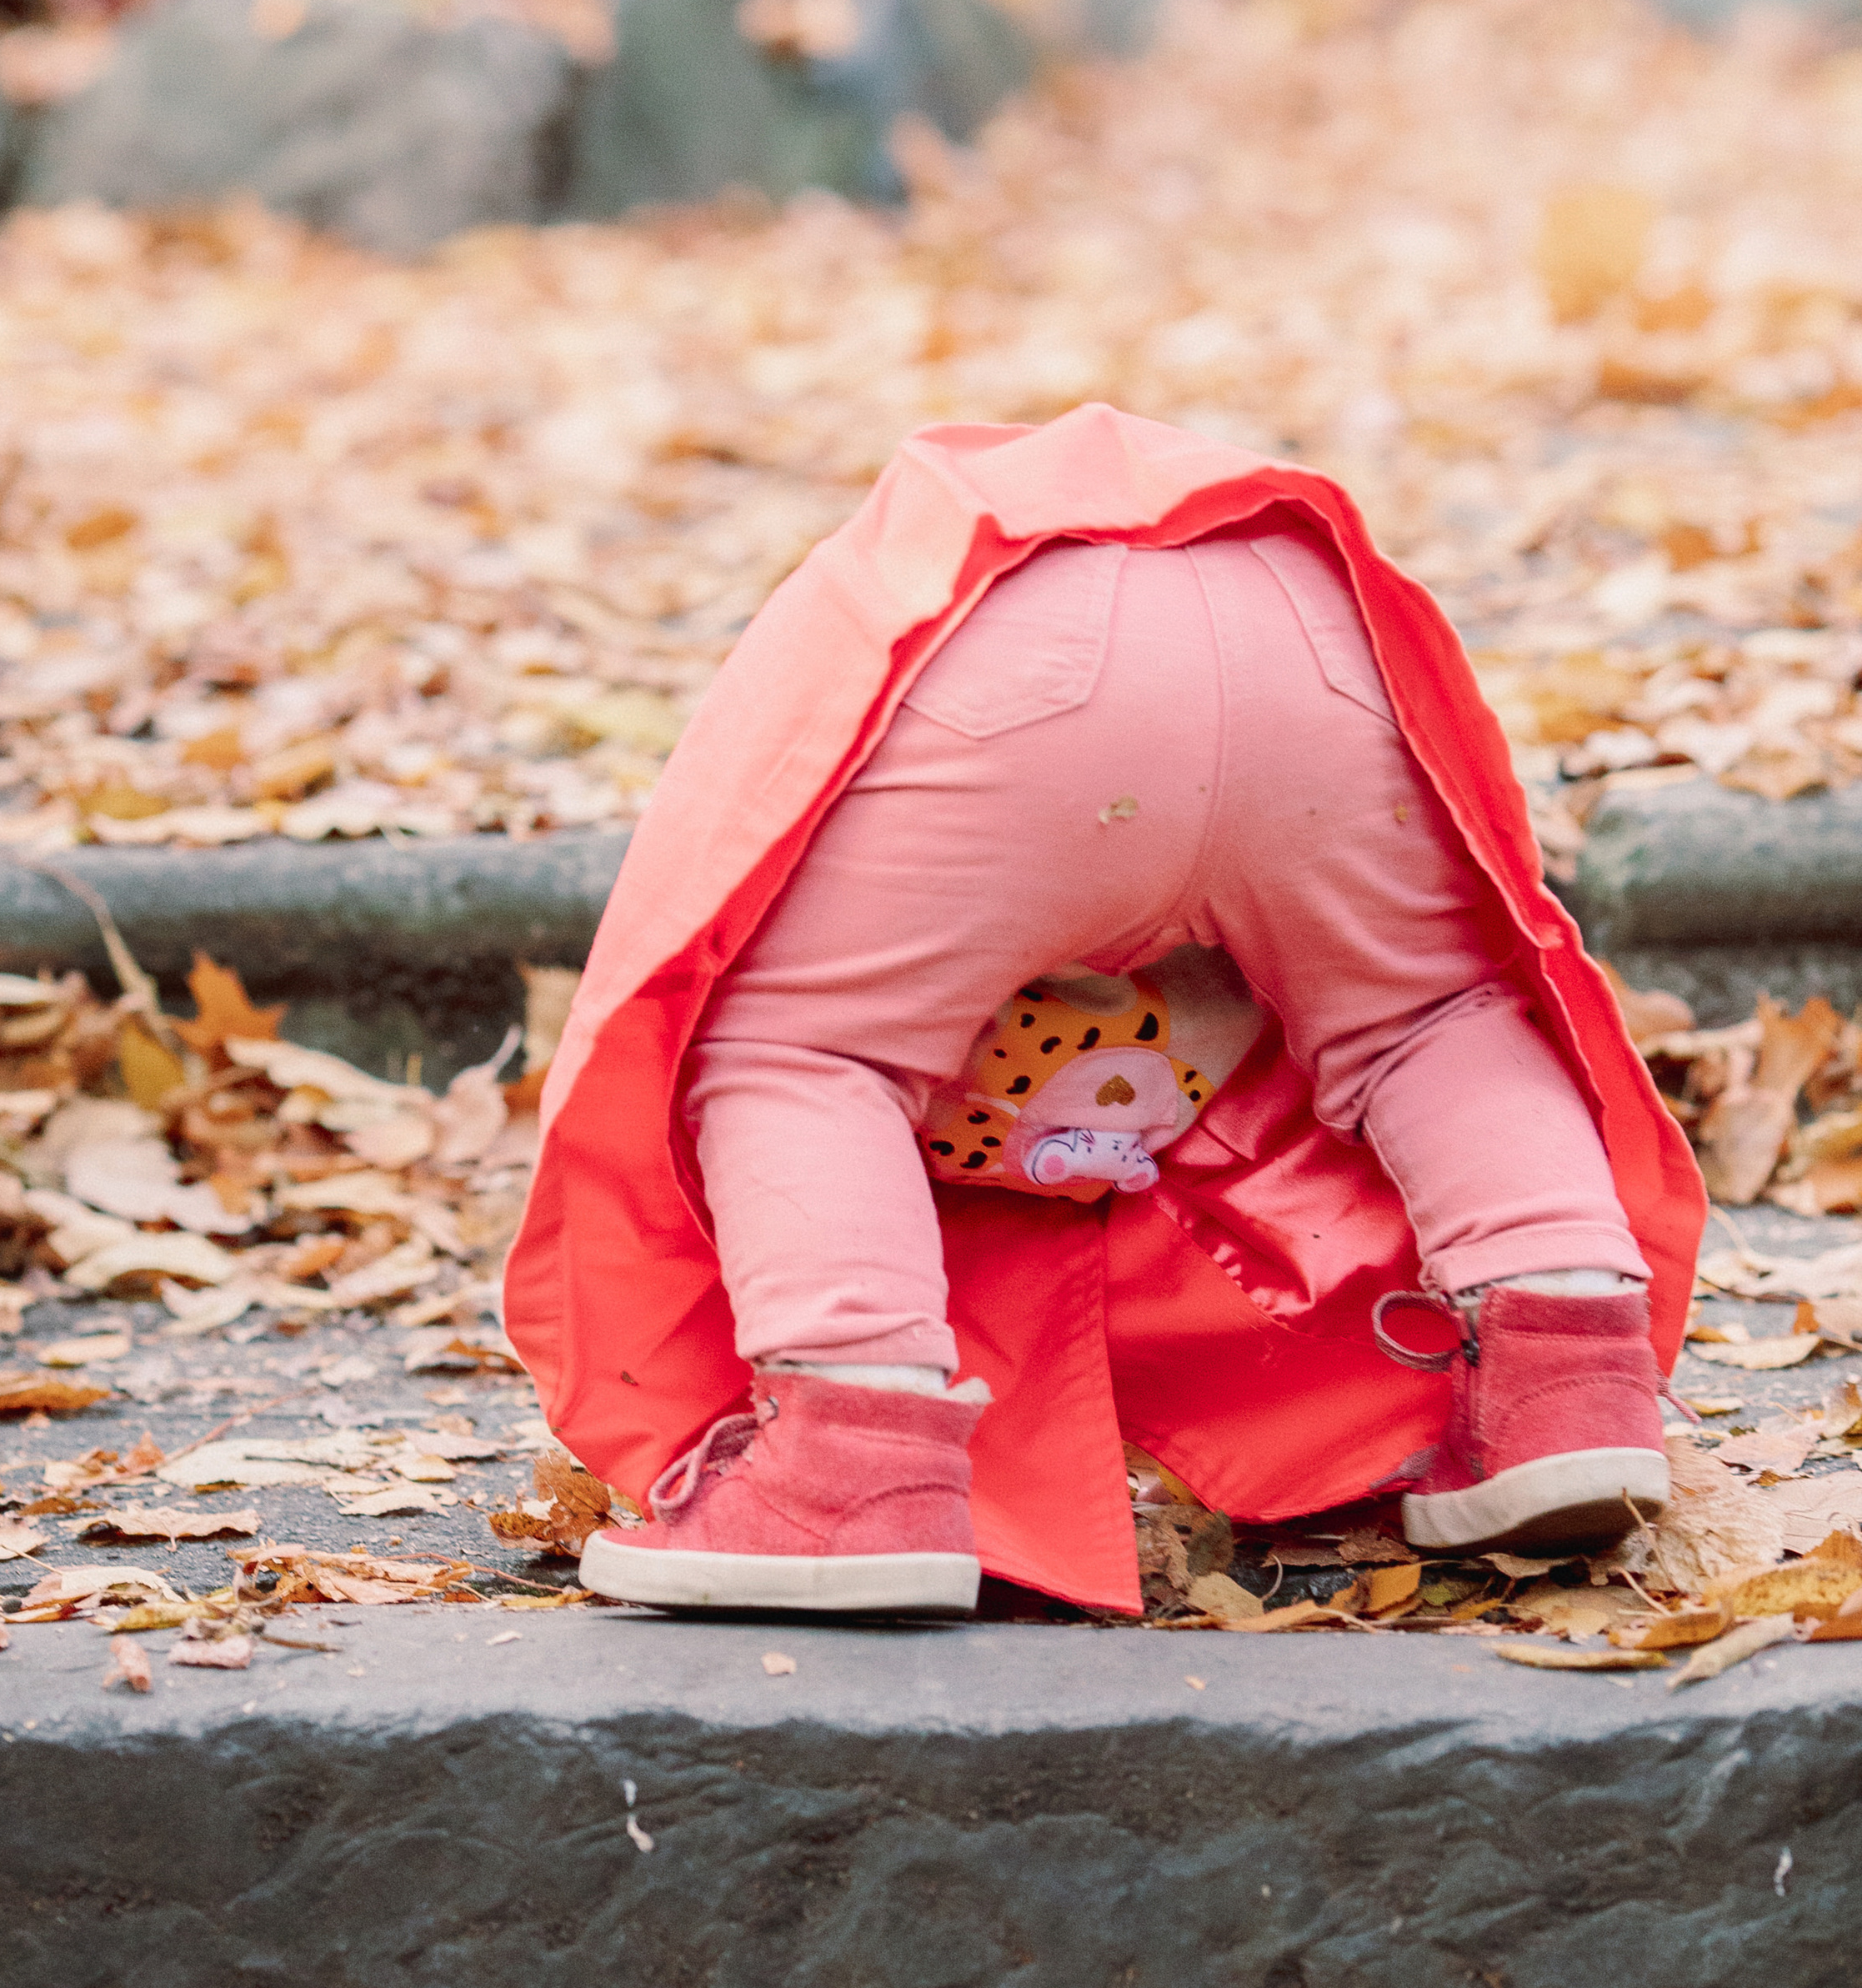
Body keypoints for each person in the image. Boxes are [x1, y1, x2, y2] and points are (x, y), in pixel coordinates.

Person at [505, 405, 1701, 1620]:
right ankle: (1568, 1376)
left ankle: (847, 1463)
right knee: (1430, 1015)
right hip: (1312, 628)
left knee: (806, 1049)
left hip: (1006, 655)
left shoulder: (891, 557)